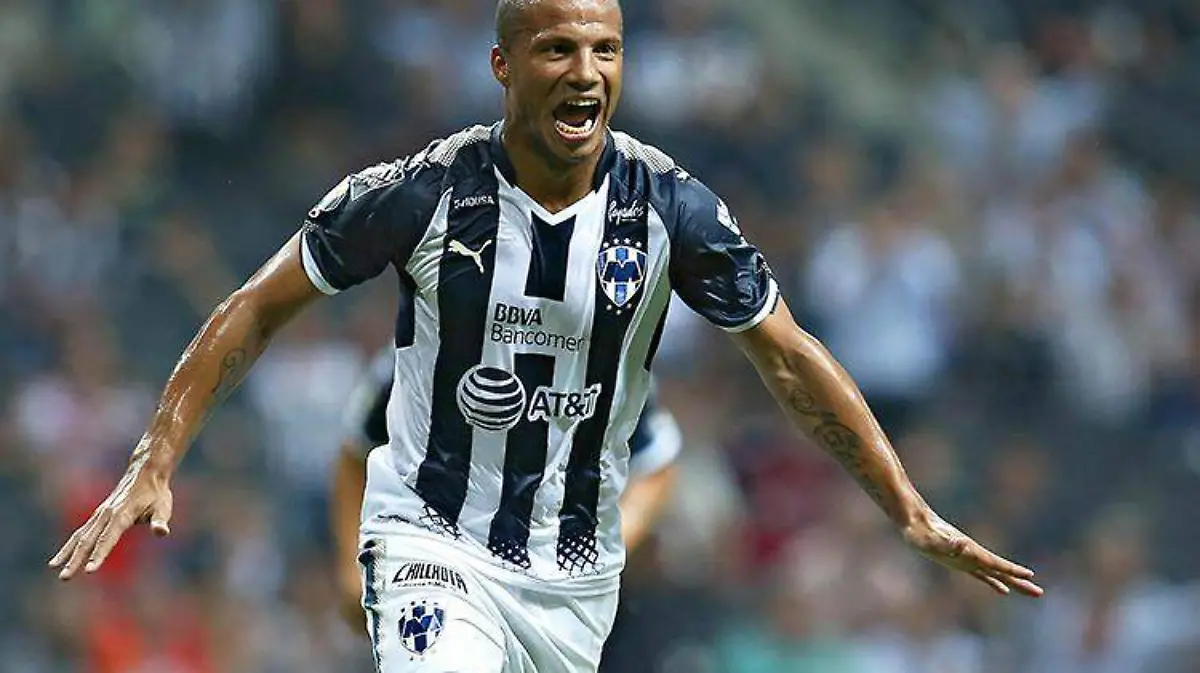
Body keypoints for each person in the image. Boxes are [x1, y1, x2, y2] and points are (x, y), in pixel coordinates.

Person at [50, 0, 1043, 670]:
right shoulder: (422, 193)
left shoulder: (673, 211)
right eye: (558, 48)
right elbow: (257, 306)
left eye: (605, 49)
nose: (586, 71)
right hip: (430, 538)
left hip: (575, 579)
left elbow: (787, 357)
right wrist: (156, 455)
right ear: (504, 63)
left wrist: (906, 507)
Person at [331, 347, 680, 627]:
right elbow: (357, 448)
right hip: (441, 563)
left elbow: (657, 461)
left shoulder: (604, 348)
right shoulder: (426, 337)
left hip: (558, 596)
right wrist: (352, 563)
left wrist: (597, 553)